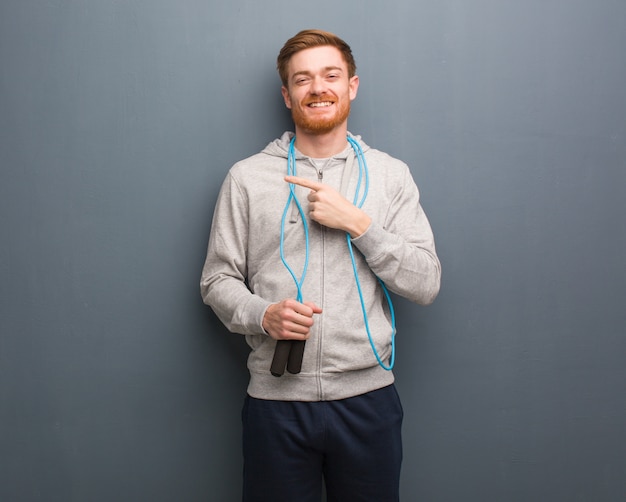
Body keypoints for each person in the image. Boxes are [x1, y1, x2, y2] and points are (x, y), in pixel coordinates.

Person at [200, 29, 441, 502]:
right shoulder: (247, 178)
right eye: (303, 79)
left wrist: (360, 225)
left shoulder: (391, 175)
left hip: (369, 402)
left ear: (352, 85)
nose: (318, 88)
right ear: (287, 95)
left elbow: (426, 281)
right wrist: (261, 314)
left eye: (331, 75)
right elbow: (216, 279)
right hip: (276, 405)